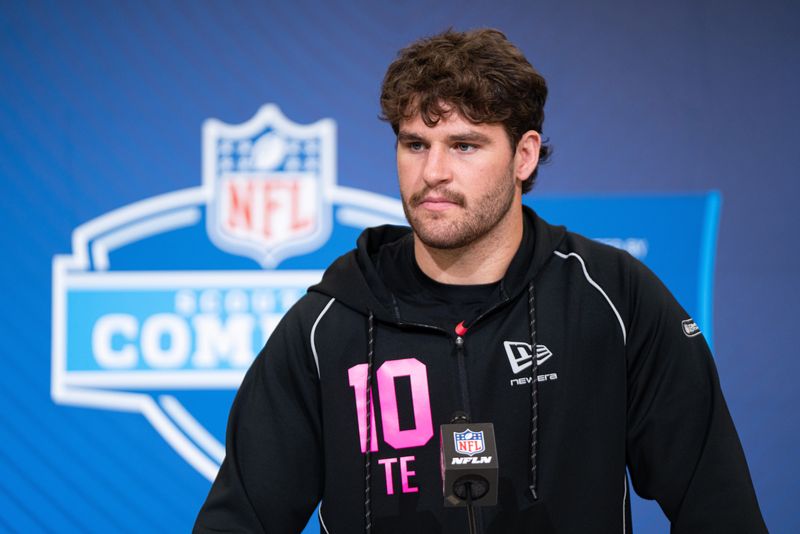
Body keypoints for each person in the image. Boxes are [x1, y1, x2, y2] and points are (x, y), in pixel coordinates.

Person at [194, 29, 766, 533]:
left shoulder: (613, 299)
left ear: (524, 156)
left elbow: (718, 509)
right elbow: (237, 521)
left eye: (464, 145)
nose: (433, 172)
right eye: (415, 144)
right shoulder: (327, 326)